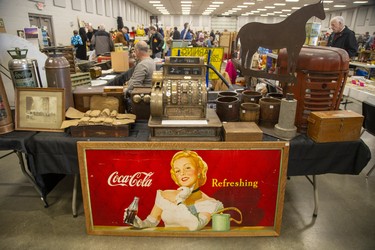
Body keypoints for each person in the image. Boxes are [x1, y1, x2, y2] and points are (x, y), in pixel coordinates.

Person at [127, 150, 224, 231]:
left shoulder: (212, 204)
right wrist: (138, 223)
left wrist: (180, 200)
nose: (182, 173)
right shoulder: (165, 194)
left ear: (199, 171)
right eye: (178, 170)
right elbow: (151, 222)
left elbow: (194, 226)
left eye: (187, 168)